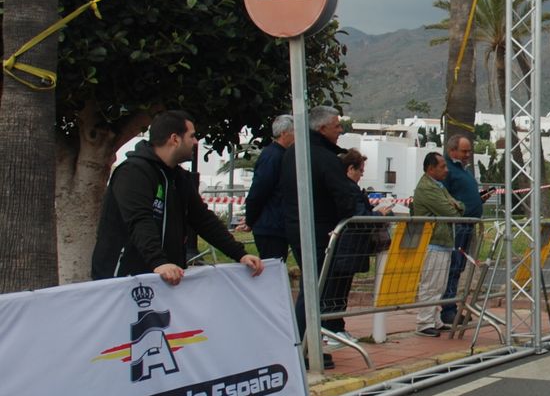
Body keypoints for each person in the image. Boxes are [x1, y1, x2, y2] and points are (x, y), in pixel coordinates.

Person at [92, 110, 266, 284]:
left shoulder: (179, 177)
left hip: (165, 276)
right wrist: (159, 262)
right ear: (175, 139)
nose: (196, 142)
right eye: (192, 136)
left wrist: (240, 254)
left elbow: (203, 220)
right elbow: (139, 220)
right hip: (125, 277)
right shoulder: (133, 172)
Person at [276, 105, 362, 339]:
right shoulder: (325, 158)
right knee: (314, 289)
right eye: (337, 126)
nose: (340, 130)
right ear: (322, 128)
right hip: (320, 231)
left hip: (296, 227)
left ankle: (307, 343)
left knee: (312, 287)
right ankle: (302, 344)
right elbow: (344, 198)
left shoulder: (292, 153)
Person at [320, 149, 386, 339]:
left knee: (339, 289)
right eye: (361, 170)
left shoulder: (347, 188)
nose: (362, 175)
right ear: (351, 169)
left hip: (347, 247)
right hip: (346, 247)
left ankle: (335, 326)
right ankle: (332, 328)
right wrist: (378, 214)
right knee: (337, 289)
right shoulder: (348, 189)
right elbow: (358, 215)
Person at [411, 151, 464, 337]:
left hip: (442, 241)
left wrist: (456, 206)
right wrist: (456, 206)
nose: (446, 170)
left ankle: (434, 320)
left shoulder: (438, 186)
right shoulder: (427, 188)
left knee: (439, 285)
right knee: (431, 284)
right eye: (442, 166)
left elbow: (456, 207)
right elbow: (452, 211)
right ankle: (424, 322)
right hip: (432, 242)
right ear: (430, 169)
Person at [440, 133, 485, 327]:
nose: (468, 155)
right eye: (464, 151)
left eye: (469, 151)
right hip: (457, 227)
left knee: (458, 267)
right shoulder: (447, 170)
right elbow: (444, 196)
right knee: (453, 266)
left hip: (467, 226)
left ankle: (452, 306)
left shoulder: (463, 170)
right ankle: (448, 309)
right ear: (452, 151)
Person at [242, 114, 293, 260]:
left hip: (276, 223)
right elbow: (259, 190)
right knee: (273, 266)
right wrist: (250, 219)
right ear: (284, 133)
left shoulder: (281, 154)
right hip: (270, 225)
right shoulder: (273, 156)